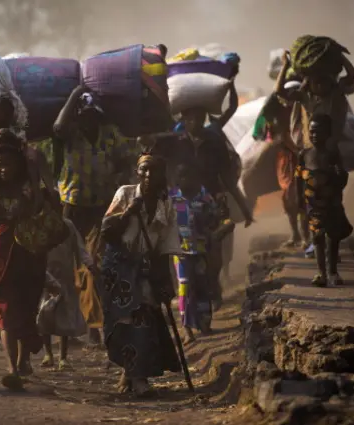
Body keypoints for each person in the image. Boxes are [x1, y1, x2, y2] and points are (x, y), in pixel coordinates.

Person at [145, 77, 253, 309]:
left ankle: (213, 286)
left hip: (210, 203)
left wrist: (243, 207)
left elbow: (226, 177)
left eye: (199, 117)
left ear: (205, 118)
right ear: (182, 118)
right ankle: (189, 300)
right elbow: (146, 143)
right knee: (182, 254)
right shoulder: (173, 141)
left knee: (213, 255)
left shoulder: (213, 139)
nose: (194, 121)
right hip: (180, 206)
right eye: (190, 117)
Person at [48, 85, 141, 346]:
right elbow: (57, 128)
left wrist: (120, 178)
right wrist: (75, 92)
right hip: (72, 206)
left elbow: (128, 158)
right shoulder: (69, 134)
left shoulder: (110, 134)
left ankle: (93, 322)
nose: (87, 119)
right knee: (68, 266)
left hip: (102, 207)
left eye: (91, 114)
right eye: (83, 114)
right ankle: (71, 323)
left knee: (94, 264)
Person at [99, 152, 182, 397]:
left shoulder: (166, 204)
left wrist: (165, 280)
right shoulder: (125, 194)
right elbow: (106, 230)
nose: (148, 175)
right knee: (124, 322)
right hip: (119, 267)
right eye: (144, 170)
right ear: (137, 172)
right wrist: (128, 212)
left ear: (161, 175)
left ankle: (137, 376)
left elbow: (166, 245)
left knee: (144, 318)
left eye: (153, 170)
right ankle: (133, 374)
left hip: (145, 267)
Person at [0, 129, 49, 391]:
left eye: (8, 164)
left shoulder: (29, 186)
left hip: (28, 252)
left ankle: (22, 362)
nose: (3, 169)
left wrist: (33, 176)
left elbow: (37, 207)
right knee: (5, 309)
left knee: (26, 305)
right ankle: (12, 368)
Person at [170, 162, 235, 344]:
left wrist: (221, 223)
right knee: (184, 285)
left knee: (202, 285)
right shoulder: (171, 198)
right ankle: (186, 329)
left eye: (191, 177)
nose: (187, 181)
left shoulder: (205, 197)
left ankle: (205, 322)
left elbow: (217, 219)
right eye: (184, 177)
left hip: (201, 250)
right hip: (180, 251)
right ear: (178, 179)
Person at [298, 115, 352, 287]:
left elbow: (342, 178)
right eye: (312, 131)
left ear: (327, 134)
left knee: (333, 238)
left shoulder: (333, 154)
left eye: (319, 132)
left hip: (331, 203)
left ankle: (333, 272)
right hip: (313, 205)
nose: (314, 135)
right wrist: (299, 202)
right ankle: (321, 273)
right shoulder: (304, 154)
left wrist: (338, 175)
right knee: (317, 238)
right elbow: (299, 180)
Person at [257, 94, 309, 248]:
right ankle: (296, 234)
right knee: (289, 197)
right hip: (285, 160)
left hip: (301, 158)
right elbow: (268, 135)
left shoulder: (302, 109)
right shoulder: (276, 111)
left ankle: (305, 236)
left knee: (301, 198)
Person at [41, 217, 92, 370]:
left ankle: (63, 357)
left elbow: (79, 248)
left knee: (65, 315)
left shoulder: (68, 225)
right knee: (44, 313)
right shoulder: (40, 223)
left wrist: (89, 264)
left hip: (65, 276)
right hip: (44, 275)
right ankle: (48, 354)